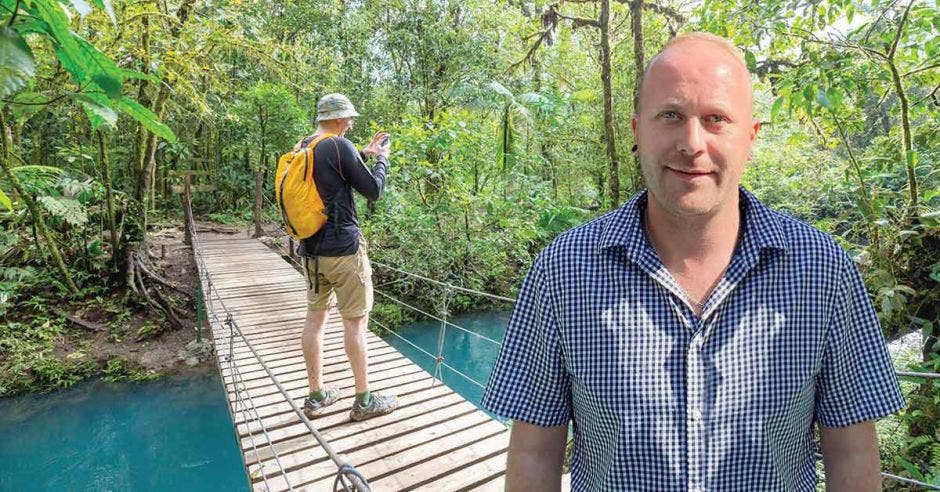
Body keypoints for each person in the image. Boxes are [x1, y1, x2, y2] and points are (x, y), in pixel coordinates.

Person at [481, 32, 904, 491]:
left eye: (716, 119)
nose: (692, 142)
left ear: (750, 137)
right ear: (637, 131)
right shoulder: (563, 271)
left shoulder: (823, 271)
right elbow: (534, 453)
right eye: (671, 115)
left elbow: (853, 453)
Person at [299, 93, 398, 422]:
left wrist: (362, 155)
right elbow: (373, 190)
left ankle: (316, 396)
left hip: (311, 253)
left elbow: (332, 181)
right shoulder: (339, 146)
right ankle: (364, 401)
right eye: (350, 119)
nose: (352, 123)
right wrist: (382, 158)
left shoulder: (305, 146)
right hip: (343, 250)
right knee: (355, 323)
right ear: (339, 119)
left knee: (315, 321)